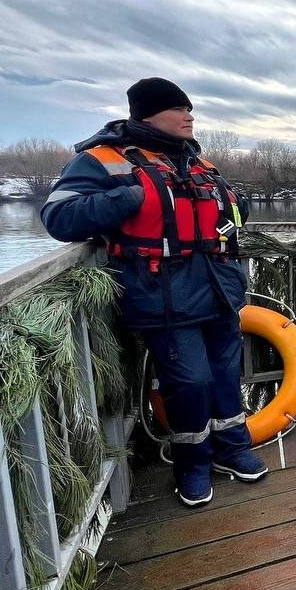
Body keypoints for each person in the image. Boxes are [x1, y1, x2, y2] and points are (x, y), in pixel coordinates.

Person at [41, 78, 266, 507]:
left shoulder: (197, 161)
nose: (189, 117)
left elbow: (232, 212)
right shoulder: (103, 159)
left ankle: (232, 449)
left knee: (223, 375)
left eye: (190, 110)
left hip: (219, 290)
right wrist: (128, 198)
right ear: (148, 115)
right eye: (179, 109)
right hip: (164, 295)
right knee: (190, 381)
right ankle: (192, 465)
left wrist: (233, 203)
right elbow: (58, 217)